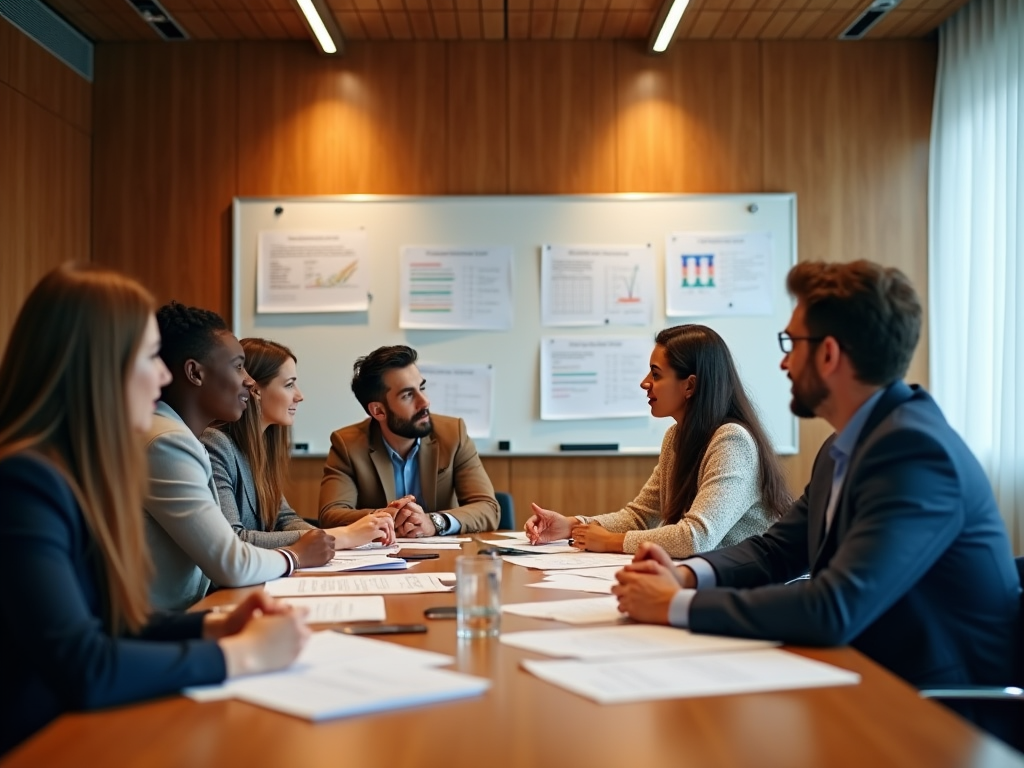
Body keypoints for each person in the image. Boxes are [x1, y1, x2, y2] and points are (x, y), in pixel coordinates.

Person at [613, 260, 1020, 737]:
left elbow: (833, 608)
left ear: (828, 354)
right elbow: (778, 549)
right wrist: (684, 574)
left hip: (936, 714)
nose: (783, 362)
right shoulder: (845, 445)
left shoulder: (915, 453)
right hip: (862, 675)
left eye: (791, 343)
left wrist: (673, 606)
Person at [0, 265, 309, 754]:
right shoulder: (24, 483)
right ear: (96, 366)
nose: (164, 375)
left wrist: (215, 625)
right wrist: (237, 656)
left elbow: (108, 618)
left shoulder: (74, 470)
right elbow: (84, 663)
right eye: (149, 357)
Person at [524, 325, 791, 558]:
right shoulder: (675, 437)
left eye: (656, 374)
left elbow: (696, 538)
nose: (644, 383)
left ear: (689, 386)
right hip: (712, 578)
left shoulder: (732, 441)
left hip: (753, 588)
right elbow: (640, 517)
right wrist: (572, 525)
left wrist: (611, 542)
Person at [145, 303, 335, 611]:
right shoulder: (168, 442)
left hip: (190, 612)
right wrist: (296, 555)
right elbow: (231, 561)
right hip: (163, 626)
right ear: (195, 373)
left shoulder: (178, 436)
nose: (250, 382)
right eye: (237, 366)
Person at [201, 338, 394, 550]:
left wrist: (347, 536)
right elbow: (235, 539)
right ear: (254, 390)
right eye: (289, 384)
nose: (299, 396)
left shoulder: (262, 446)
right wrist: (342, 536)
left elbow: (284, 519)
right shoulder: (216, 444)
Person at [319, 345, 499, 536]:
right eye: (407, 395)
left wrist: (434, 521)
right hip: (379, 557)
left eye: (421, 388)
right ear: (378, 411)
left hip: (444, 556)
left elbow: (488, 508)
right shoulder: (348, 445)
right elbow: (330, 515)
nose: (424, 402)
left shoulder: (453, 434)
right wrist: (389, 517)